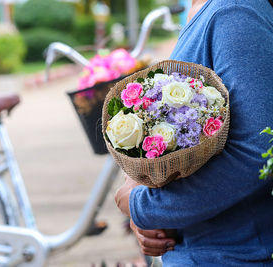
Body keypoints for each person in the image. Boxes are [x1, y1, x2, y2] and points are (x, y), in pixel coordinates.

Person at [115, 0, 273, 266]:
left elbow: (257, 151)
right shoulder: (209, 10)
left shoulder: (234, 12)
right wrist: (142, 187)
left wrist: (144, 206)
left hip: (233, 254)